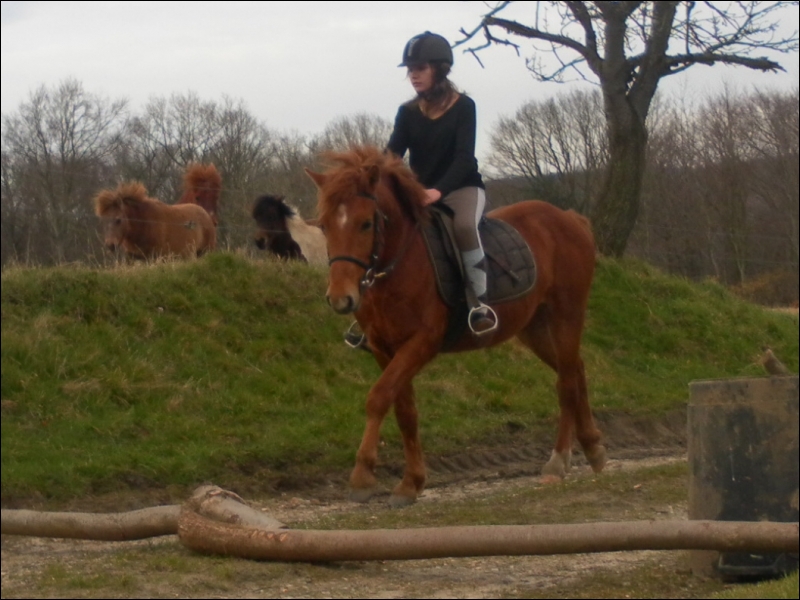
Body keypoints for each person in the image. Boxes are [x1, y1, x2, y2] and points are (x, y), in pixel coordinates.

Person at [386, 31, 498, 335]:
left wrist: (438, 190)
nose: (413, 75)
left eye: (420, 68)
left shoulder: (464, 107)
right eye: (410, 70)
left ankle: (480, 304)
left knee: (464, 227)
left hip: (462, 188)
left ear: (440, 69)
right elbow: (392, 154)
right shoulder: (407, 113)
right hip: (421, 192)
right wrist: (370, 175)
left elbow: (464, 159)